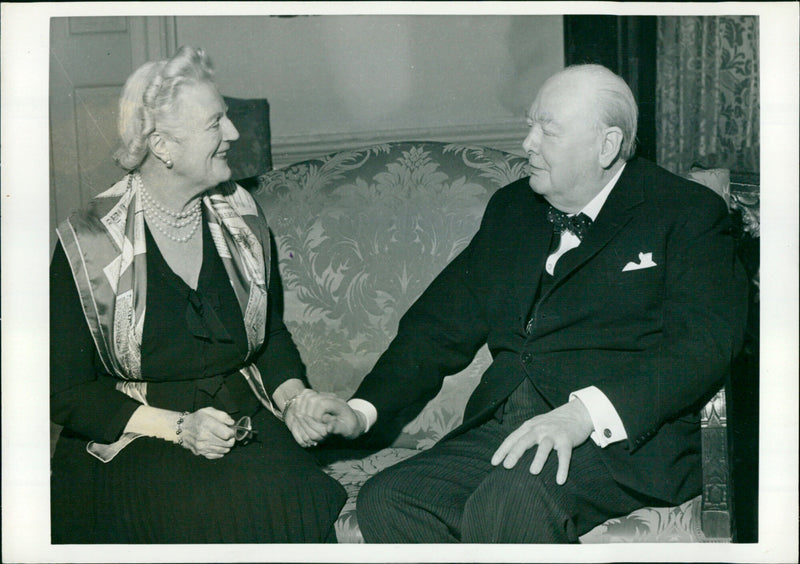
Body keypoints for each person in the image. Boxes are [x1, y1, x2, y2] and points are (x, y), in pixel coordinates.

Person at [296, 63, 750, 542]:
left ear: (607, 145)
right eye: (529, 125)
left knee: (510, 500)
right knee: (391, 498)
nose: (528, 143)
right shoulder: (513, 209)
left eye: (548, 131)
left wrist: (582, 415)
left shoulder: (684, 212)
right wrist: (363, 410)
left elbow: (704, 345)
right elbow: (436, 327)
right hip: (511, 424)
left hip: (623, 442)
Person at [50, 46, 346, 543]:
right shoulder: (87, 243)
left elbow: (269, 334)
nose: (233, 133)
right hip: (134, 434)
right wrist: (179, 427)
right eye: (216, 123)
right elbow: (64, 390)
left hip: (242, 419)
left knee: (300, 499)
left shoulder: (242, 218)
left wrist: (294, 397)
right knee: (205, 514)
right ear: (162, 145)